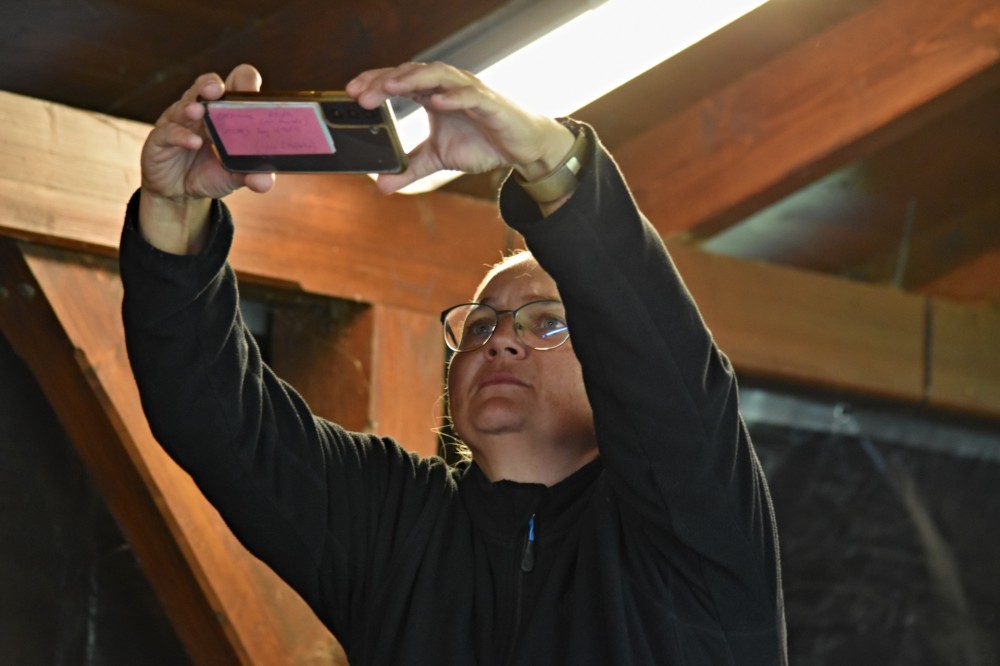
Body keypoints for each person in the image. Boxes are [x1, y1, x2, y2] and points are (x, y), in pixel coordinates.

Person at [120, 61, 787, 665]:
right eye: (481, 325)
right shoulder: (394, 523)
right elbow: (212, 418)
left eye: (546, 322)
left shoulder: (693, 533)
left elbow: (666, 372)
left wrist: (549, 161)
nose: (500, 341)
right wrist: (174, 212)